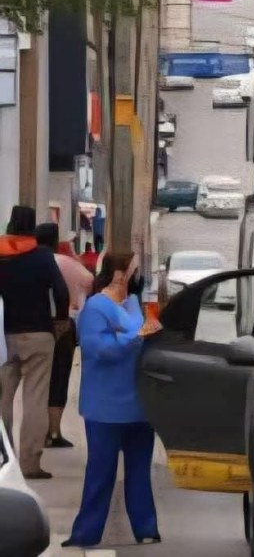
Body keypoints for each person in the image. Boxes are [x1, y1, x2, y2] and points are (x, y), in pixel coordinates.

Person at [62, 253, 161, 548]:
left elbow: (139, 338)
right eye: (133, 271)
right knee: (101, 471)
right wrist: (135, 337)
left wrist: (135, 335)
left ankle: (146, 526)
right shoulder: (96, 308)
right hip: (105, 407)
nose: (136, 277)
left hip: (139, 405)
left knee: (139, 470)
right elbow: (100, 349)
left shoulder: (132, 305)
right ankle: (86, 531)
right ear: (119, 273)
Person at [0, 206, 70, 479]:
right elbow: (61, 291)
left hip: (4, 337)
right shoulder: (42, 255)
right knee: (35, 398)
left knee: (3, 398)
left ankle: (3, 458)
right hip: (39, 334)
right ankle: (30, 463)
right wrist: (61, 320)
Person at [35, 223, 95, 448]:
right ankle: (53, 431)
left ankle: (35, 430)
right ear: (55, 241)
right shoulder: (68, 263)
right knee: (59, 378)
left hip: (35, 324)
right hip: (64, 325)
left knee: (37, 381)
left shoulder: (30, 262)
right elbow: (89, 282)